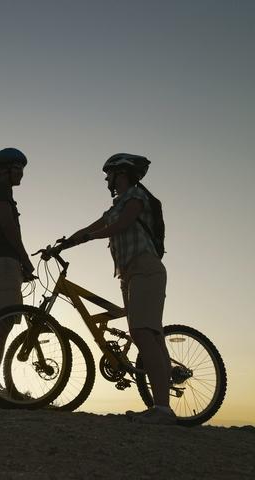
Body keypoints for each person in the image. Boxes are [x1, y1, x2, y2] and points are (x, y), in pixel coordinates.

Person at [61, 153, 175, 425]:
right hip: (129, 274)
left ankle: (162, 410)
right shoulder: (115, 206)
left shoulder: (135, 196)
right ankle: (161, 406)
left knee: (142, 333)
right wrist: (64, 244)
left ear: (120, 174)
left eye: (109, 174)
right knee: (148, 335)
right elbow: (92, 227)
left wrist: (90, 236)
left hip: (145, 268)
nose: (106, 180)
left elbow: (122, 225)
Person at [0, 148, 36, 381]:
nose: (22, 173)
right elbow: (7, 226)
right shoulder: (1, 190)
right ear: (4, 170)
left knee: (1, 321)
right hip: (2, 261)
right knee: (1, 322)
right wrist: (24, 258)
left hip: (0, 261)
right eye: (18, 168)